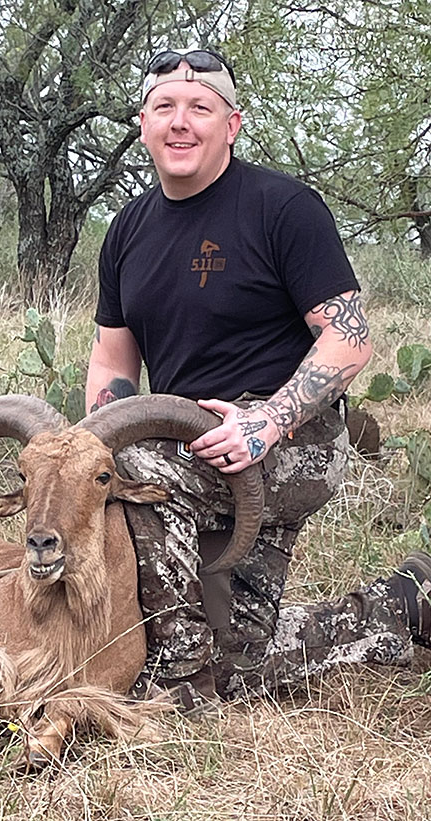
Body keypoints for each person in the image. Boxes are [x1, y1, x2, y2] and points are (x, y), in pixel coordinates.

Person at [85, 48, 431, 711]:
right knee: (239, 663)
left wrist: (267, 420)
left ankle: (177, 682)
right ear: (142, 124)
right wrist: (96, 434)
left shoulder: (282, 207)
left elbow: (350, 336)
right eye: (164, 108)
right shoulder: (126, 230)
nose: (180, 122)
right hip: (192, 454)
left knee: (134, 464)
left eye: (200, 108)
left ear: (232, 125)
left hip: (292, 444)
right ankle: (398, 607)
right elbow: (112, 358)